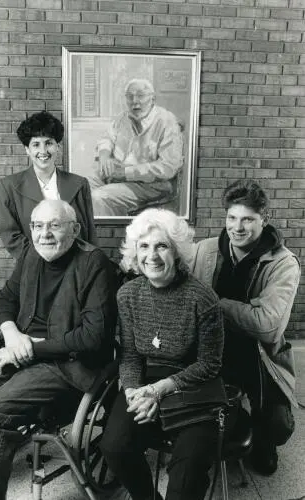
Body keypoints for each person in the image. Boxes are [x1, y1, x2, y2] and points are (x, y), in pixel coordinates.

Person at [0, 199, 117, 500]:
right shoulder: (31, 255)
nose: (44, 233)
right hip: (15, 348)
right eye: (37, 225)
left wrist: (31, 349)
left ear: (75, 229)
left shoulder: (94, 263)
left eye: (54, 225)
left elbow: (93, 338)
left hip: (63, 365)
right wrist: (11, 334)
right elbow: (4, 300)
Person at [100, 208, 224, 500]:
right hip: (145, 381)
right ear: (134, 252)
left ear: (177, 252)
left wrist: (158, 391)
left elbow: (210, 364)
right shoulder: (128, 294)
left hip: (193, 387)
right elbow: (130, 355)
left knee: (187, 473)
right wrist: (133, 392)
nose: (151, 256)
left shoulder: (203, 299)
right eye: (144, 246)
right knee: (114, 447)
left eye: (161, 246)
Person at [191, 179, 301, 476]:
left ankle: (262, 438)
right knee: (202, 411)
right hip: (210, 349)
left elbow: (267, 327)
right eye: (232, 218)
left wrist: (214, 302)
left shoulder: (283, 263)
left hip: (258, 356)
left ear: (265, 220)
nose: (238, 227)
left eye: (248, 219)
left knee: (278, 426)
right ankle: (229, 423)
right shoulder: (204, 250)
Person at [0, 110, 97, 259]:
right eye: (36, 144)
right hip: (33, 266)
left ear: (57, 146)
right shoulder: (9, 186)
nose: (43, 151)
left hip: (77, 267)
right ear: (27, 150)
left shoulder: (79, 184)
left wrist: (91, 264)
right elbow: (10, 236)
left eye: (48, 143)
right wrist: (41, 260)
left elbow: (89, 233)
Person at [88, 78, 184, 217]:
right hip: (118, 176)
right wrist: (104, 155)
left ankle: (108, 235)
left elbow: (168, 167)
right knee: (81, 186)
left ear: (153, 99)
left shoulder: (167, 122)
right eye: (130, 96)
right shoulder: (122, 118)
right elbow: (106, 138)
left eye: (140, 95)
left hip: (152, 186)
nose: (134, 101)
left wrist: (126, 173)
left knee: (99, 197)